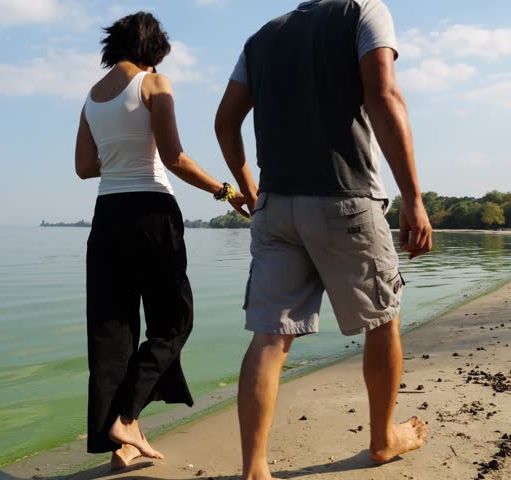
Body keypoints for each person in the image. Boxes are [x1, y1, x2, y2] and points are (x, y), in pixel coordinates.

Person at [214, 1, 433, 478]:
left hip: (276, 208)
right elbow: (383, 96)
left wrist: (249, 188)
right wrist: (413, 197)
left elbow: (224, 122)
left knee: (270, 336)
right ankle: (383, 440)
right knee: (382, 320)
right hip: (345, 200)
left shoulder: (262, 36)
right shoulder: (364, 11)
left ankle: (254, 470)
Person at [75, 12, 249, 471]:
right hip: (151, 213)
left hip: (107, 217)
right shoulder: (154, 84)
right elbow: (174, 157)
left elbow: (84, 167)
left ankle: (120, 445)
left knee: (112, 332)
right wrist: (226, 192)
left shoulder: (92, 97)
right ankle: (127, 419)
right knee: (174, 322)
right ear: (153, 49)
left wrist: (121, 154)